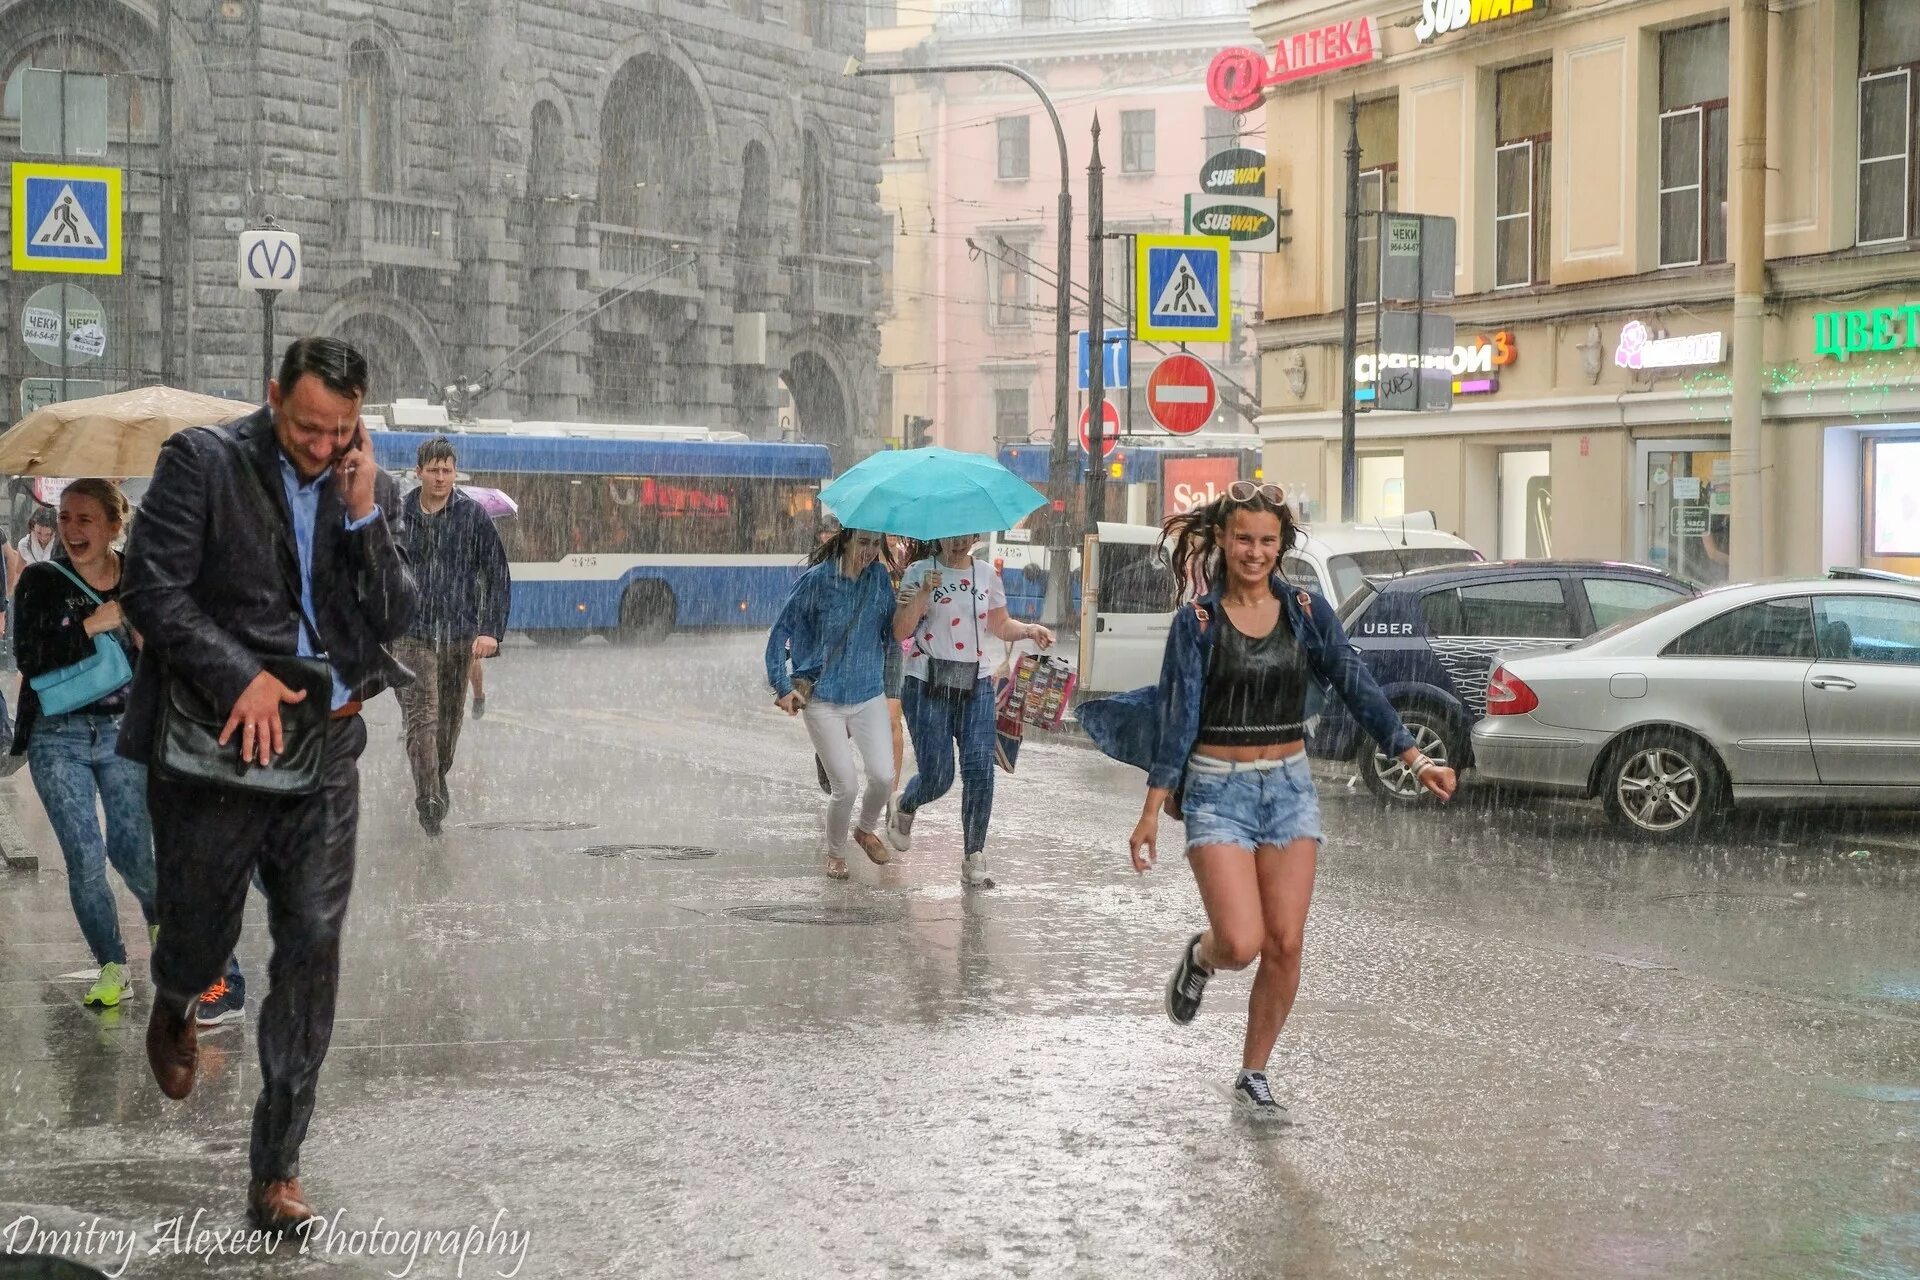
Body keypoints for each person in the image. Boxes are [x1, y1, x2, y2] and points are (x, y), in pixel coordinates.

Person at [119, 337, 418, 1232]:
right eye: (307, 427)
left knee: (312, 946)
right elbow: (151, 590)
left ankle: (277, 1167)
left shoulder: (366, 484)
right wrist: (236, 673)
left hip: (324, 750)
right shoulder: (201, 463)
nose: (323, 447)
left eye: (341, 431)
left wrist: (365, 519)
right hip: (223, 748)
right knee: (203, 937)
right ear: (272, 395)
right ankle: (177, 996)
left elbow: (396, 614)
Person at [1090, 484, 1455, 1123]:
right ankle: (1199, 957)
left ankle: (1253, 1072)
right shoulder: (1197, 623)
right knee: (1240, 941)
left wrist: (1413, 756)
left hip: (1289, 787)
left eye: (1267, 540)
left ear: (1281, 544)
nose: (1254, 552)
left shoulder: (1309, 612)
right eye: (1243, 540)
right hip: (1216, 790)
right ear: (1223, 542)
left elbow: (1355, 682)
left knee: (1285, 942)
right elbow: (1178, 719)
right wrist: (1152, 809)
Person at [9, 480, 153, 1008]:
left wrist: (146, 636)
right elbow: (29, 656)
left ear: (115, 526)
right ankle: (113, 963)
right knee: (85, 857)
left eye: (85, 519)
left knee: (133, 852)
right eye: (65, 518)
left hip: (125, 733)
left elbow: (170, 652)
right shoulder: (42, 580)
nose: (70, 530)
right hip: (57, 735)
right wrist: (94, 623)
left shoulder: (140, 578)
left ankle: (162, 931)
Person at [887, 535, 1053, 888]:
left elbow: (998, 624)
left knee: (979, 768)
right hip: (926, 682)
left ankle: (974, 854)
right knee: (939, 777)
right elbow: (900, 630)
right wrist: (921, 595)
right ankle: (905, 803)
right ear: (941, 535)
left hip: (975, 683)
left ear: (976, 536)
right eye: (954, 536)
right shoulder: (919, 571)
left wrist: (1027, 630)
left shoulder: (986, 575)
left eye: (967, 536)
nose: (960, 543)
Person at [765, 525, 896, 879]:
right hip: (823, 698)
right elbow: (780, 632)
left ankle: (865, 830)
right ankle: (835, 855)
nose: (869, 551)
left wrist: (917, 602)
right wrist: (781, 686)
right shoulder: (818, 581)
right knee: (846, 787)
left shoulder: (879, 580)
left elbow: (892, 634)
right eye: (863, 542)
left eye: (875, 544)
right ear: (847, 539)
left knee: (884, 777)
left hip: (868, 692)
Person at [395, 436, 510, 835]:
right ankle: (427, 796)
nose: (441, 477)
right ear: (419, 472)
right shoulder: (399, 514)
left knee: (448, 724)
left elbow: (496, 574)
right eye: (434, 469)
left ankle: (436, 777)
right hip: (411, 632)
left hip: (459, 633)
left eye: (448, 469)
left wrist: (490, 630)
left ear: (454, 472)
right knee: (421, 717)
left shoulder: (472, 516)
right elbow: (376, 571)